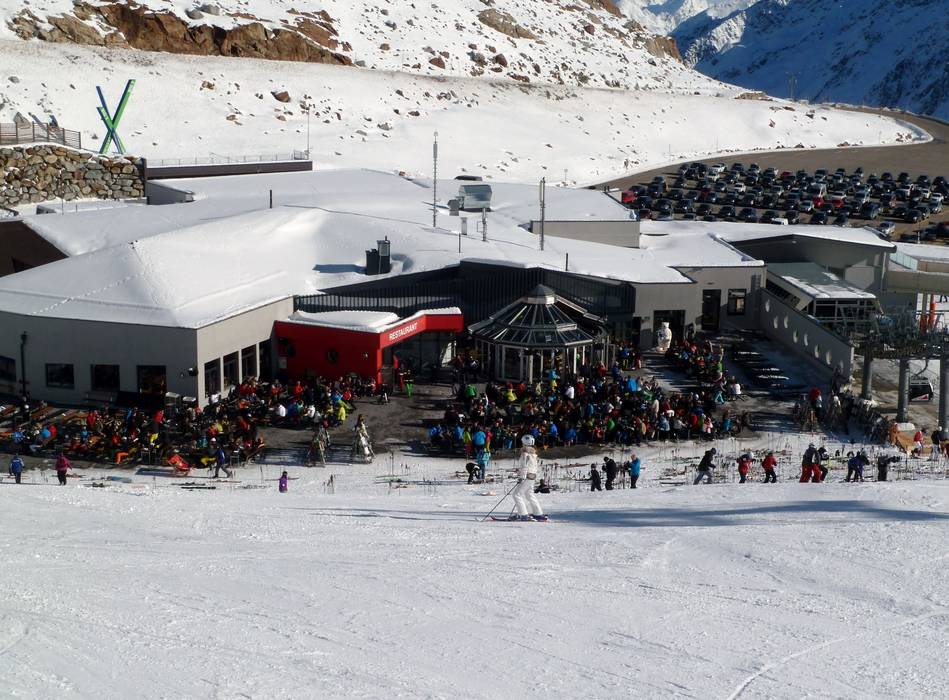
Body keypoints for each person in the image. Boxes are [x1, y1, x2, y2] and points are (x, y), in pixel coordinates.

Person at [510, 435, 546, 521]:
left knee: (516, 494)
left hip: (526, 476)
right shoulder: (533, 454)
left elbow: (524, 467)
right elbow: (534, 467)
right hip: (532, 477)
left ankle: (523, 514)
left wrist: (521, 477)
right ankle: (538, 513)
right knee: (529, 495)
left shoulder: (525, 454)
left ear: (524, 443)